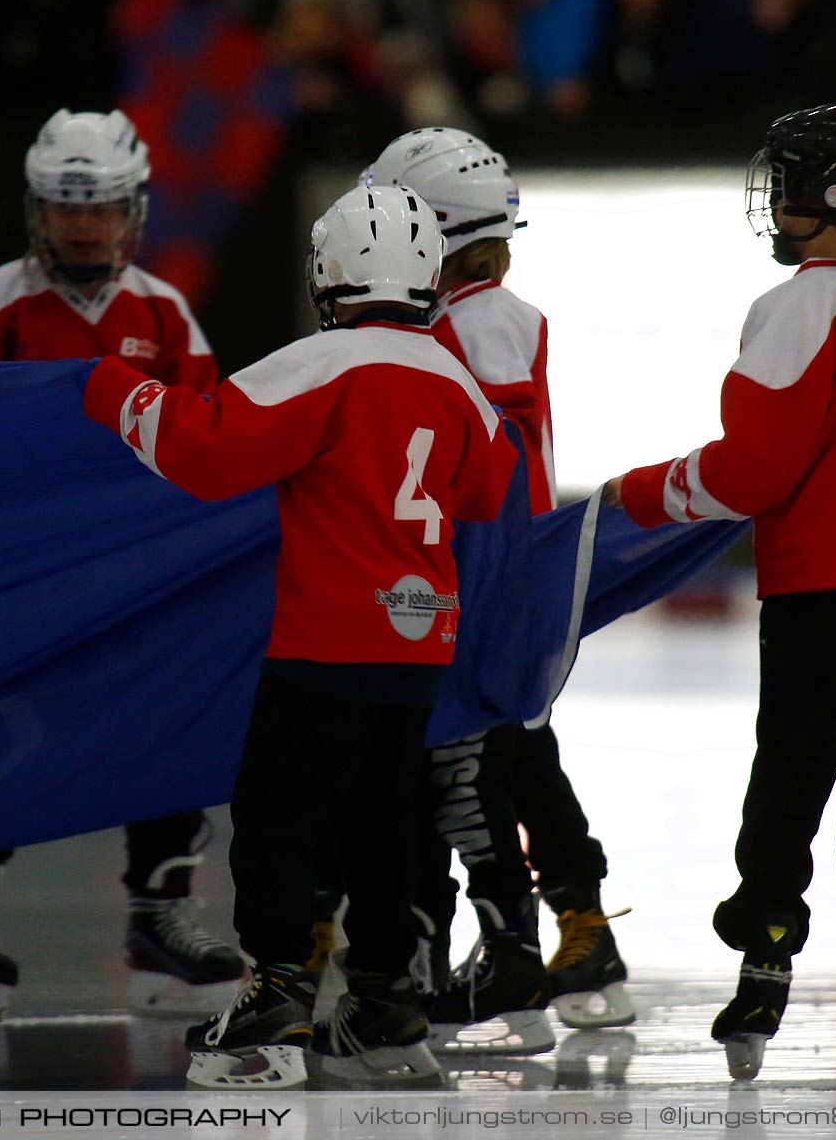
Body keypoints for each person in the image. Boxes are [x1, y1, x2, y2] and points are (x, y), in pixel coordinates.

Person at [83, 183, 518, 1089]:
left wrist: (111, 391)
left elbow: (205, 452)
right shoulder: (453, 379)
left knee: (276, 821)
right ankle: (384, 1004)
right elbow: (488, 486)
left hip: (329, 637)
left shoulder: (321, 364)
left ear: (330, 274)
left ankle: (277, 993)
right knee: (382, 825)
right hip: (418, 644)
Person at [606, 104, 836, 1081]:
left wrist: (642, 494)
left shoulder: (797, 304)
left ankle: (764, 956)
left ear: (825, 196)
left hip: (822, 568)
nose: (778, 199)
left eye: (791, 180)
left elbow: (754, 469)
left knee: (794, 763)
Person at [0, 108, 240, 1021]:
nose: (83, 227)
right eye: (65, 208)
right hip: (19, 577)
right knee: (3, 733)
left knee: (174, 723)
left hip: (138, 576)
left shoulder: (166, 312)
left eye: (100, 209)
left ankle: (161, 913)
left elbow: (209, 439)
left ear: (134, 210)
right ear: (37, 210)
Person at [362, 127, 634, 1058]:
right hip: (501, 577)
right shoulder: (481, 317)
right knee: (521, 759)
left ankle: (513, 953)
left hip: (482, 582)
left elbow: (492, 447)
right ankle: (579, 939)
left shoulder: (478, 324)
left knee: (462, 771)